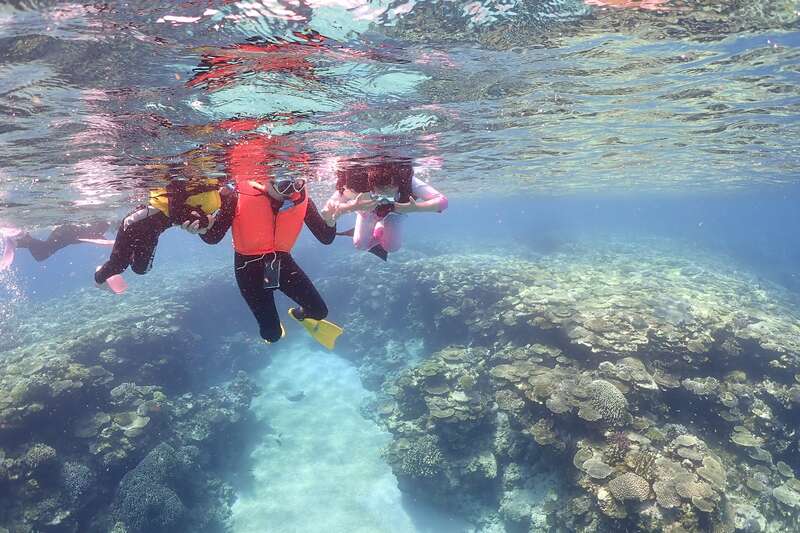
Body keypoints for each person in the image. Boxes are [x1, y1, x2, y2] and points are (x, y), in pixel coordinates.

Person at [194, 151, 342, 349]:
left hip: (280, 262)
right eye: (283, 185)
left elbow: (326, 238)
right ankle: (272, 326)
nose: (290, 192)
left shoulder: (300, 198)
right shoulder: (238, 197)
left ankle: (298, 316)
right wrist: (204, 229)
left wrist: (331, 221)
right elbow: (213, 238)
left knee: (319, 312)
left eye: (297, 183)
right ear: (265, 180)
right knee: (271, 334)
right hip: (249, 269)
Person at [94, 154, 222, 294]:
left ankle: (126, 249)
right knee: (119, 266)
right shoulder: (179, 181)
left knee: (142, 270)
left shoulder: (210, 190)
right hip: (132, 225)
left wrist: (203, 223)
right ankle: (99, 279)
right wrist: (203, 223)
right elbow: (176, 212)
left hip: (154, 229)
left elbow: (195, 220)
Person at [322, 158, 448, 260]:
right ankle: (377, 226)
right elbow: (328, 208)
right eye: (378, 195)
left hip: (396, 213)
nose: (384, 200)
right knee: (360, 245)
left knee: (392, 247)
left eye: (390, 195)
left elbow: (443, 202)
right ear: (370, 185)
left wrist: (413, 208)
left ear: (399, 184)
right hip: (368, 212)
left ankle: (379, 226)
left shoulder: (408, 181)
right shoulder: (359, 184)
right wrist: (353, 206)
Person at [1, 222, 113, 271]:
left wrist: (111, 243)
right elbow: (98, 239)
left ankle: (18, 241)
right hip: (66, 233)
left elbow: (99, 240)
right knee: (42, 254)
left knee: (42, 253)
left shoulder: (97, 231)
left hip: (67, 234)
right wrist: (112, 244)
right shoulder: (96, 231)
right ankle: (20, 238)